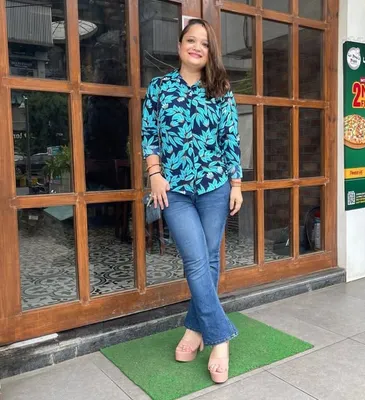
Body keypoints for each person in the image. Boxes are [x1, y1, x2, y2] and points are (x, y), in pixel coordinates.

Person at [141, 18, 243, 384]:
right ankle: (220, 337)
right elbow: (149, 135)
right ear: (180, 45)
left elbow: (230, 139)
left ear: (210, 52)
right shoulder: (159, 88)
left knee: (210, 259)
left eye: (205, 43)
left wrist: (236, 184)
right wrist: (154, 174)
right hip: (175, 190)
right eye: (191, 40)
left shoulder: (220, 89)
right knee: (196, 260)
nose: (197, 47)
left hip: (215, 187)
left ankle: (195, 329)